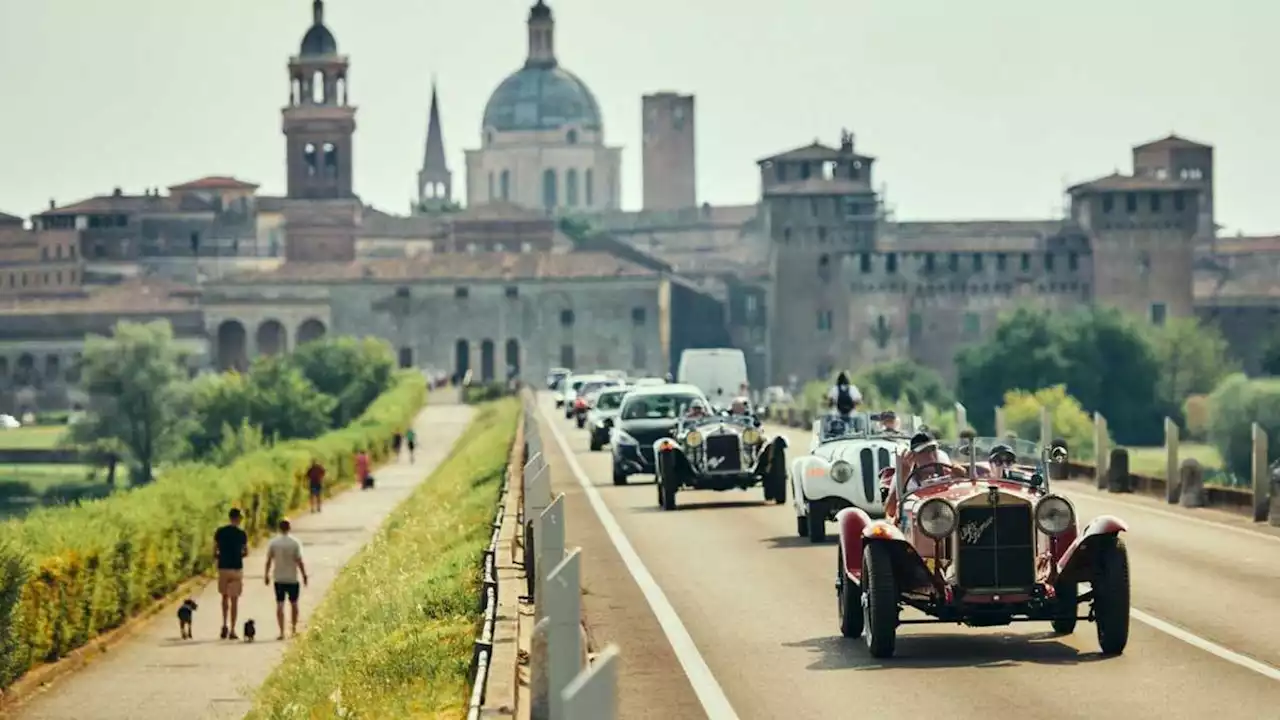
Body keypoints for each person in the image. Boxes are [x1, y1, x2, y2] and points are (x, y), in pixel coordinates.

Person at [263, 518, 308, 640]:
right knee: (294, 604)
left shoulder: (274, 543)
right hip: (292, 577)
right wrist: (304, 575)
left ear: (279, 528)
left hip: (279, 577)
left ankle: (282, 631)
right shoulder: (295, 543)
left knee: (280, 604)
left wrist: (266, 575)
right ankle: (293, 629)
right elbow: (299, 561)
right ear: (289, 528)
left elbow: (269, 560)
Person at [213, 508, 249, 640]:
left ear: (229, 517)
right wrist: (239, 555)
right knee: (234, 600)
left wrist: (218, 558)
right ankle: (233, 629)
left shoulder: (220, 532)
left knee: (224, 598)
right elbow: (246, 552)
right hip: (236, 568)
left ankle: (224, 624)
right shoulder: (242, 534)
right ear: (239, 519)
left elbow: (214, 550)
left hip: (223, 567)